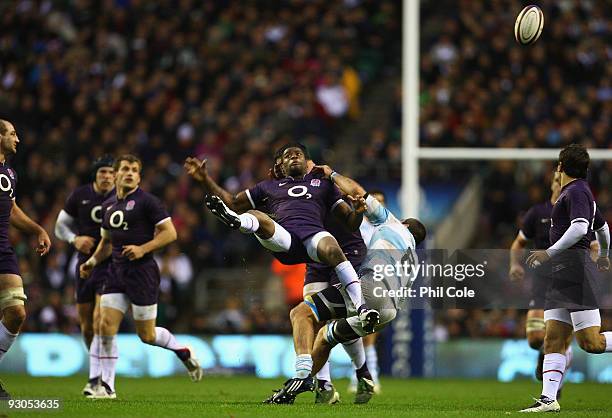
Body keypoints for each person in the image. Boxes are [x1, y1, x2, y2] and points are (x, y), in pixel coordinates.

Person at [184, 144, 379, 387]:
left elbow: (350, 222)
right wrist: (205, 180)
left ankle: (319, 372)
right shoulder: (267, 187)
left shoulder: (323, 184)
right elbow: (233, 200)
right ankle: (237, 221)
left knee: (330, 248)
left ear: (308, 162)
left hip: (313, 241)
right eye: (288, 155)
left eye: (299, 153)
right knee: (257, 216)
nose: (294, 156)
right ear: (279, 166)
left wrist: (358, 211)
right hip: (286, 240)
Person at [273, 166, 426, 404]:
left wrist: (331, 173)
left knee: (302, 312)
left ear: (405, 224)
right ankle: (332, 382)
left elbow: (359, 192)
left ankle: (304, 378)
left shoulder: (392, 224)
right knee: (325, 336)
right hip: (389, 310)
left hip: (368, 288)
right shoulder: (414, 257)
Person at [80, 155, 202, 399]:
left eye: (135, 170)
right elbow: (106, 242)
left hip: (142, 273)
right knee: (104, 325)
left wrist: (143, 249)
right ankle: (107, 387)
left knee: (147, 335)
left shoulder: (149, 202)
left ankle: (182, 350)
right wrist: (92, 262)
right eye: (125, 169)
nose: (130, 173)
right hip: (115, 272)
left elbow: (171, 233)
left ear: (139, 176)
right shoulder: (108, 205)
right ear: (115, 174)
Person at [520, 144, 610, 413]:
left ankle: (549, 398)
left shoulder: (578, 190)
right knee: (553, 339)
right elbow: (603, 228)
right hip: (562, 272)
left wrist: (549, 252)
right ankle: (548, 399)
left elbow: (581, 227)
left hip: (574, 270)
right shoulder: (578, 193)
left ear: (561, 166)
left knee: (591, 343)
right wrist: (604, 254)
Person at [54, 155, 115, 397]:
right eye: (103, 173)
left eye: (111, 173)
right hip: (84, 265)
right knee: (87, 325)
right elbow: (60, 225)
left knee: (101, 317)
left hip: (110, 264)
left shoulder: (119, 197)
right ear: (96, 175)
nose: (107, 177)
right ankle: (98, 369)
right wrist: (74, 239)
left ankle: (99, 378)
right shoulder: (80, 195)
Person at [0, 119, 51, 399]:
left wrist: (38, 229)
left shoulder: (9, 172)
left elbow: (11, 209)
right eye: (12, 134)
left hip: (3, 248)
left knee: (16, 313)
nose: (17, 139)